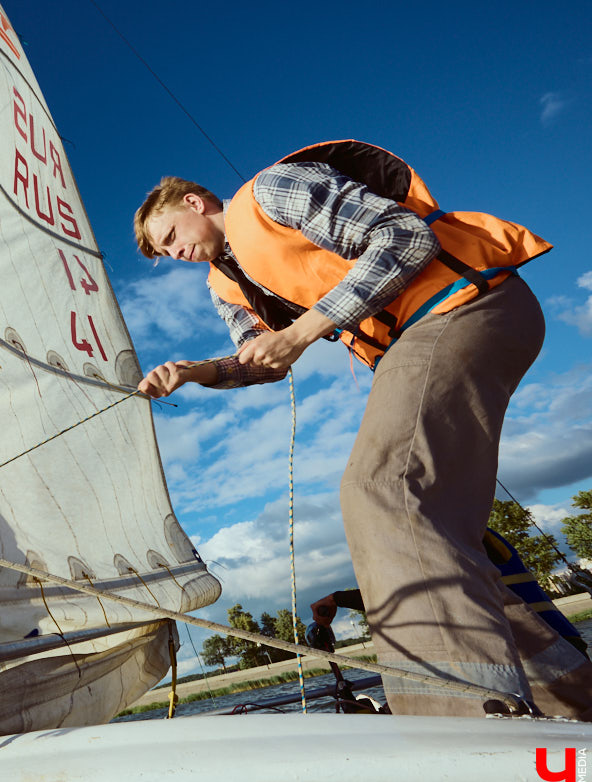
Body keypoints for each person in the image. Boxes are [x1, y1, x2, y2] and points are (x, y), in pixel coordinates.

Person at [132, 139, 592, 719]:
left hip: (462, 308)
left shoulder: (270, 193)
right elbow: (259, 359)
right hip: (422, 338)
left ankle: (458, 715)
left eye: (169, 236)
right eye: (160, 252)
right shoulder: (223, 285)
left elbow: (405, 237)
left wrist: (301, 333)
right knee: (443, 539)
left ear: (195, 203)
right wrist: (196, 372)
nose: (171, 253)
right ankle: (573, 700)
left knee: (383, 492)